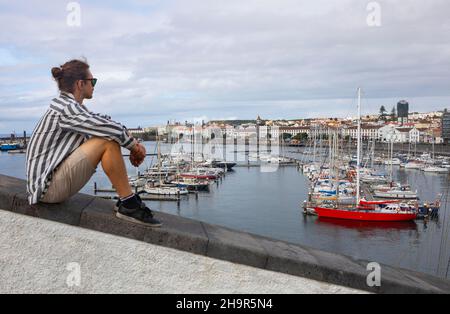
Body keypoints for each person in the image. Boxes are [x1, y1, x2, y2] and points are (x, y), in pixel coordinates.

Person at [26, 59, 161, 227]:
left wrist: (129, 140)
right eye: (93, 81)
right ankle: (129, 205)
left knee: (107, 136)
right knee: (107, 142)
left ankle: (127, 201)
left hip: (46, 185)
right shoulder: (67, 108)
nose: (94, 85)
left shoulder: (69, 106)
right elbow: (110, 130)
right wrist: (135, 148)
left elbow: (103, 123)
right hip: (47, 190)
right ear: (80, 84)